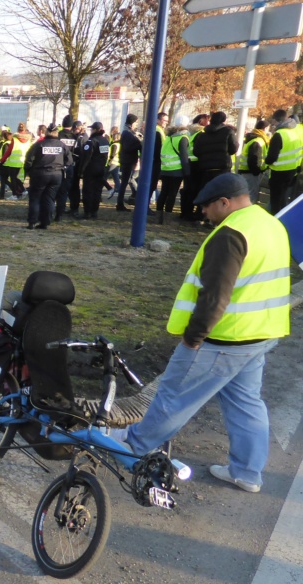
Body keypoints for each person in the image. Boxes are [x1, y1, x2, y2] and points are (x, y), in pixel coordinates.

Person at [115, 173, 290, 493]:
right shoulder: (269, 224)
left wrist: (193, 337)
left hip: (221, 338)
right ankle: (247, 472)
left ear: (225, 202)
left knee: (174, 396)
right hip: (261, 333)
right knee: (246, 403)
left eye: (207, 207)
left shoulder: (231, 234)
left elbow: (215, 296)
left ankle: (132, 448)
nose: (203, 213)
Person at [189, 111, 239, 206]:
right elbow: (233, 149)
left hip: (205, 168)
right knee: (221, 193)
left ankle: (201, 214)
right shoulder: (228, 132)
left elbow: (196, 151)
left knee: (205, 191)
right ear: (224, 120)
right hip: (222, 167)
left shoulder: (203, 134)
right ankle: (217, 215)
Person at [23, 123, 67, 229]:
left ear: (46, 132)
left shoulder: (39, 144)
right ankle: (45, 223)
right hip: (56, 174)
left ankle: (32, 222)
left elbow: (29, 159)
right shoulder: (62, 145)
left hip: (40, 174)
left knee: (35, 198)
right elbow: (69, 160)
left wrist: (29, 171)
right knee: (49, 199)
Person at [157, 119, 192, 224]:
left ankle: (158, 218)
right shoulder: (183, 138)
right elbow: (184, 156)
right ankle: (168, 219)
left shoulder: (168, 137)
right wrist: (187, 172)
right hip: (176, 171)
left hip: (165, 169)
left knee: (163, 192)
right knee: (172, 194)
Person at [264, 110, 298, 214]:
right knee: (283, 200)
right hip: (292, 171)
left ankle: (275, 222)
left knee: (275, 202)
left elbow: (272, 157)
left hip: (278, 172)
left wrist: (265, 161)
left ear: (276, 120)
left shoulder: (279, 134)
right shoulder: (294, 132)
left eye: (273, 120)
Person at [77, 122, 110, 220]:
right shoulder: (105, 140)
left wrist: (81, 170)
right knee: (97, 191)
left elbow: (87, 157)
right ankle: (94, 212)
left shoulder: (91, 141)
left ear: (95, 130)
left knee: (88, 191)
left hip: (90, 169)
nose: (91, 131)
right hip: (101, 168)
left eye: (92, 129)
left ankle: (87, 212)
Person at [0, 122, 32, 199]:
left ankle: (15, 194)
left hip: (13, 162)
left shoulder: (15, 138)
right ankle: (23, 190)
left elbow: (9, 151)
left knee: (13, 178)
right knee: (16, 178)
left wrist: (1, 160)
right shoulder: (29, 140)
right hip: (22, 161)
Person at [238, 120, 269, 204]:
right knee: (251, 196)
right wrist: (257, 171)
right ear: (265, 128)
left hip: (247, 171)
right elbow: (253, 158)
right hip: (251, 173)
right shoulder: (258, 141)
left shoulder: (253, 138)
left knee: (246, 194)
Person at [116, 114, 142, 211]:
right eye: (136, 122)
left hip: (128, 160)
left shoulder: (128, 132)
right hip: (128, 161)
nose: (137, 124)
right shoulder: (127, 133)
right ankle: (120, 204)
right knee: (125, 182)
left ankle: (122, 202)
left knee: (126, 181)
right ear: (132, 123)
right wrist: (139, 143)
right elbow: (127, 147)